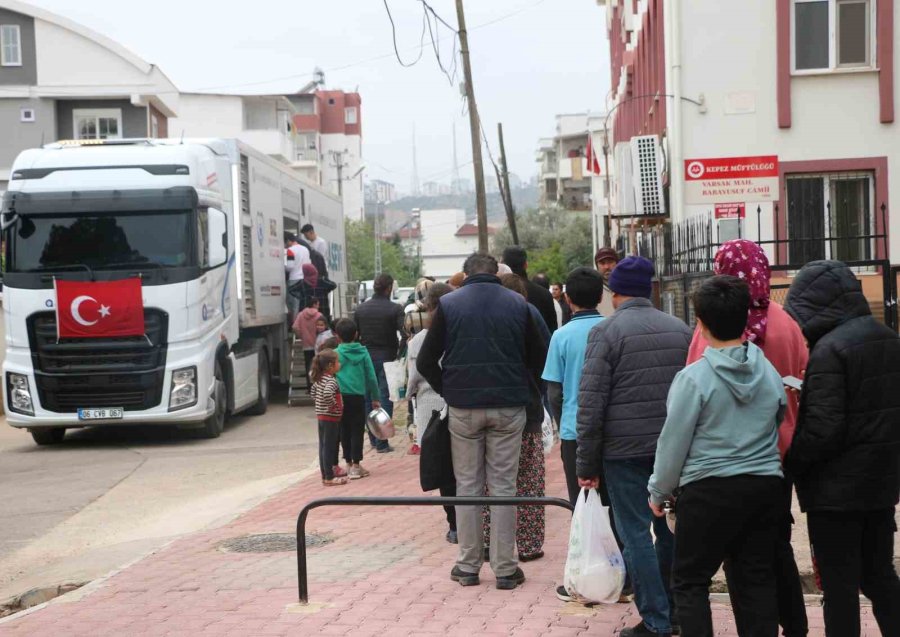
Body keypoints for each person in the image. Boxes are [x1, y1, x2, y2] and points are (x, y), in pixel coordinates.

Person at [649, 275, 786, 637]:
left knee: (691, 581)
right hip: (764, 488)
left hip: (709, 491)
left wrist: (658, 492)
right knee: (755, 580)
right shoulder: (768, 372)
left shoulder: (693, 379)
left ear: (701, 322)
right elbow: (778, 418)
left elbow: (673, 442)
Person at [686, 240, 808, 637]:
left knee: (736, 565)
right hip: (778, 457)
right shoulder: (786, 322)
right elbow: (803, 384)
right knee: (774, 549)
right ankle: (795, 624)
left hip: (723, 463)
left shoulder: (714, 327)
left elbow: (692, 393)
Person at [783, 260, 900, 637]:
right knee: (881, 575)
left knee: (839, 587)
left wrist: (792, 462)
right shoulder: (888, 338)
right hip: (881, 485)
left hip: (835, 495)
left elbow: (823, 428)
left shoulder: (829, 351)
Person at [418, 252, 547, 590]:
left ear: (466, 273)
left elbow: (426, 359)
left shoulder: (450, 305)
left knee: (468, 486)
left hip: (464, 407)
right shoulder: (518, 304)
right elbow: (539, 357)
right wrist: (522, 384)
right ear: (495, 273)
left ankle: (468, 565)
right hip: (509, 407)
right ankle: (505, 569)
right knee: (505, 486)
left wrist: (450, 389)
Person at [577, 256, 691, 635]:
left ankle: (655, 620)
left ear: (616, 294)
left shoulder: (605, 333)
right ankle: (673, 611)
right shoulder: (680, 330)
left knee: (636, 533)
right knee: (671, 528)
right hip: (673, 450)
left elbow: (591, 403)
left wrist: (586, 464)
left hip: (623, 452)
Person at [480, 273, 550, 562]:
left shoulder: (482, 315)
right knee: (528, 478)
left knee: (488, 478)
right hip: (526, 406)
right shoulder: (528, 313)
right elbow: (545, 357)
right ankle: (529, 544)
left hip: (484, 405)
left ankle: (488, 540)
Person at [542, 268, 605, 507]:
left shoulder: (560, 336)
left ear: (567, 299)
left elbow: (554, 392)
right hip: (609, 429)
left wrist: (562, 420)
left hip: (573, 429)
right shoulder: (611, 328)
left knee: (581, 503)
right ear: (600, 297)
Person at [407, 283, 457, 542]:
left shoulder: (418, 340)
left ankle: (453, 524)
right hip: (460, 402)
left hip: (430, 405)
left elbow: (414, 377)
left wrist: (409, 396)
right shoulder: (460, 331)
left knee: (442, 467)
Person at [354, 273, 406, 454]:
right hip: (387, 358)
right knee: (385, 398)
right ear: (389, 288)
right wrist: (400, 354)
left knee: (368, 399)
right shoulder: (395, 309)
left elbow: (355, 335)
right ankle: (382, 441)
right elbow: (405, 334)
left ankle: (373, 440)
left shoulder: (361, 309)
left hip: (365, 358)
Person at [334, 318, 381, 480]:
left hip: (340, 398)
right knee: (357, 430)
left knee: (344, 430)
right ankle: (356, 465)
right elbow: (372, 377)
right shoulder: (363, 352)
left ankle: (347, 463)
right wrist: (375, 397)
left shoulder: (336, 354)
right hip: (358, 398)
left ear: (337, 336)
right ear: (356, 334)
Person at [310, 349, 348, 486]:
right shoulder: (331, 381)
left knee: (323, 446)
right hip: (330, 418)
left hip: (321, 416)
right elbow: (327, 394)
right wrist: (334, 406)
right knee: (329, 447)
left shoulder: (319, 379)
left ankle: (324, 475)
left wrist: (319, 403)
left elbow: (313, 391)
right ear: (330, 366)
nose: (340, 364)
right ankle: (329, 477)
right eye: (337, 362)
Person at [502, 246, 558, 333]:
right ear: (526, 265)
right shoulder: (544, 294)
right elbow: (552, 329)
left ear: (503, 265)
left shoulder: (499, 294)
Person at [292, 297, 323, 387]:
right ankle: (319, 385)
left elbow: (294, 327)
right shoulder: (319, 315)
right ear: (314, 304)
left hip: (306, 344)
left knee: (308, 365)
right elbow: (323, 328)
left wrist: (301, 336)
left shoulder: (301, 314)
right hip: (317, 344)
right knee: (318, 365)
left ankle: (309, 387)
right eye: (318, 304)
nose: (318, 306)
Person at [284, 233, 312, 320]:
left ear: (288, 241)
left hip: (294, 279)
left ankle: (295, 324)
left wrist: (282, 266)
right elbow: (308, 264)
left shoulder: (290, 250)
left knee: (293, 305)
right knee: (302, 304)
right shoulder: (305, 249)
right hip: (304, 280)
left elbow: (290, 267)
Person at [594, 247, 619, 317]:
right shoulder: (593, 290)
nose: (607, 267)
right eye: (602, 263)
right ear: (597, 266)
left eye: (610, 262)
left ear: (617, 263)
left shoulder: (627, 287)